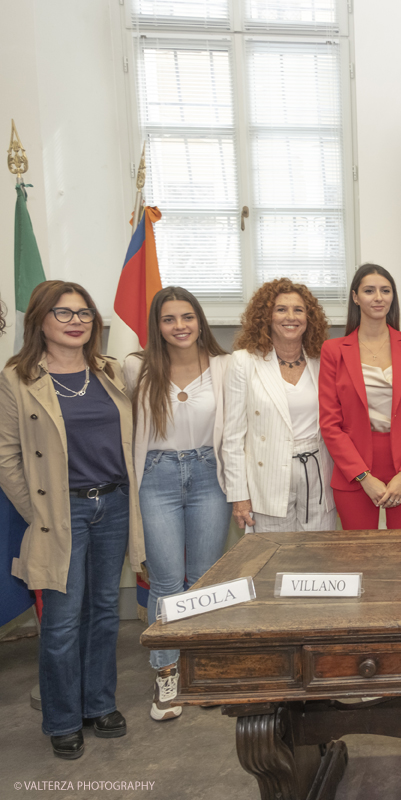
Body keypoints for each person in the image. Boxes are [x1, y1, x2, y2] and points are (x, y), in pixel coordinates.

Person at [0, 281, 143, 758]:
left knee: (104, 611)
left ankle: (99, 704)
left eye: (84, 312)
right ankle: (62, 718)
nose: (77, 320)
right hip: (61, 510)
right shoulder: (17, 377)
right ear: (39, 319)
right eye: (64, 313)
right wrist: (37, 509)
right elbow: (6, 456)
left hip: (115, 505)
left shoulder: (108, 372)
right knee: (62, 619)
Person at [123, 286, 231, 722]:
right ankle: (166, 670)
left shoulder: (224, 367)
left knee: (203, 578)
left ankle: (201, 668)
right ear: (158, 326)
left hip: (209, 475)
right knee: (167, 580)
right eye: (169, 319)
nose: (180, 326)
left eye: (187, 317)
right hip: (157, 477)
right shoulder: (136, 368)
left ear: (200, 320)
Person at [319, 264, 401, 529]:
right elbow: (330, 423)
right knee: (358, 556)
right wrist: (363, 477)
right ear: (355, 297)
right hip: (354, 469)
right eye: (369, 291)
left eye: (385, 290)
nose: (378, 297)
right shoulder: (333, 350)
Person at [224, 278, 335, 533]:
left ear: (309, 317)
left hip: (318, 477)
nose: (291, 317)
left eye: (299, 310)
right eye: (281, 309)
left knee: (319, 560)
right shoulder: (243, 361)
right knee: (273, 563)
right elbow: (232, 437)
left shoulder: (323, 360)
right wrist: (239, 496)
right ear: (266, 317)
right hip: (267, 482)